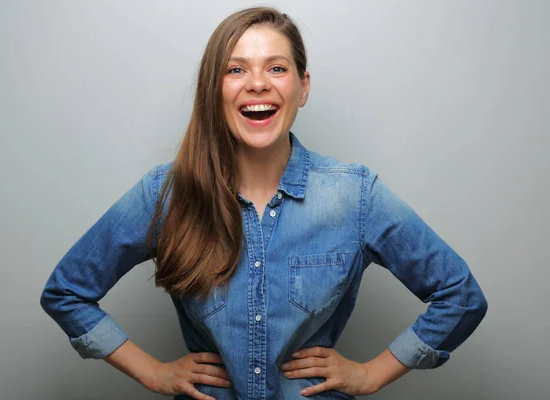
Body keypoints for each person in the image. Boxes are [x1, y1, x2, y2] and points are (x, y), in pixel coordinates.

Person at [40, 6, 488, 400]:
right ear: (214, 90)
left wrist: (371, 374)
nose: (257, 84)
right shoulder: (166, 194)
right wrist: (154, 373)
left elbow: (459, 296)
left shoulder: (356, 195)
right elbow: (67, 292)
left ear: (303, 86)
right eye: (236, 70)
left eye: (276, 68)